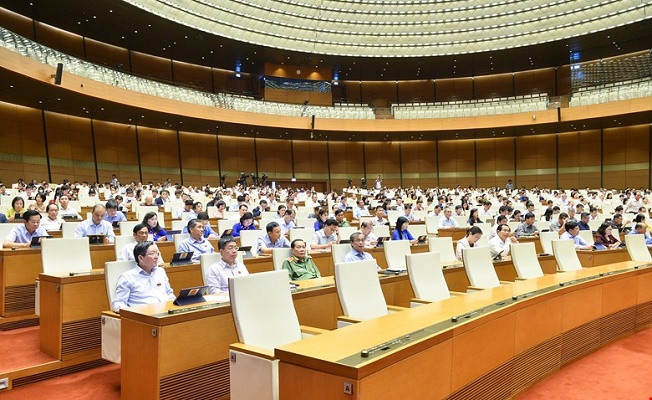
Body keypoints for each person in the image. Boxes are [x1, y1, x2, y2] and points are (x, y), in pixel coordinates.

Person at [111, 241, 174, 312]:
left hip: (167, 312)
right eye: (152, 253)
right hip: (144, 316)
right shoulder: (127, 277)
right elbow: (118, 303)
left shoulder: (160, 272)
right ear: (141, 258)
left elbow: (169, 293)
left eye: (157, 253)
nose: (156, 257)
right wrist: (133, 314)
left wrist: (174, 305)